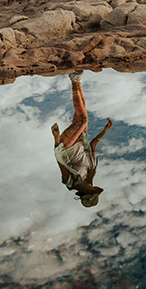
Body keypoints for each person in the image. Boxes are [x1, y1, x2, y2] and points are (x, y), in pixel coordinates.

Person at [52, 71, 113, 207]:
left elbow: (59, 161)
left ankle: (74, 79)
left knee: (83, 119)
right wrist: (105, 130)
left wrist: (56, 138)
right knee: (82, 109)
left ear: (85, 192)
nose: (93, 187)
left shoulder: (70, 182)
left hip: (66, 146)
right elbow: (92, 146)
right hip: (80, 140)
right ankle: (76, 78)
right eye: (94, 189)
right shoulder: (91, 174)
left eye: (92, 190)